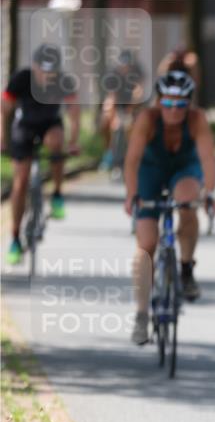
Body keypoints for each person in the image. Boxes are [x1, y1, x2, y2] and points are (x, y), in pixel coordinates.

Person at [123, 71, 215, 344]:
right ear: (159, 101)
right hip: (150, 171)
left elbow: (207, 158)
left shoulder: (197, 120)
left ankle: (186, 269)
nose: (173, 110)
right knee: (146, 244)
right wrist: (131, 195)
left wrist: (209, 193)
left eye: (180, 104)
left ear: (189, 104)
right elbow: (132, 160)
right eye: (167, 103)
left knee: (188, 203)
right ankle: (142, 314)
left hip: (184, 168)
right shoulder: (147, 119)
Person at [1, 43, 81, 264]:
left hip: (50, 124)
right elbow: (4, 108)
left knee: (56, 141)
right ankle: (15, 238)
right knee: (20, 183)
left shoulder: (64, 81)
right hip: (24, 127)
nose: (46, 76)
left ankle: (57, 193)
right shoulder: (21, 78)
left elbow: (74, 112)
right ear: (34, 66)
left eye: (51, 71)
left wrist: (73, 142)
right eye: (42, 70)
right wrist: (2, 138)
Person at [100, 49, 146, 170]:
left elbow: (138, 91)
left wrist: (130, 109)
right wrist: (113, 114)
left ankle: (135, 155)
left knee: (133, 126)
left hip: (133, 104)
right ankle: (108, 152)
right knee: (107, 121)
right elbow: (112, 97)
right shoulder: (113, 75)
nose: (125, 68)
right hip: (118, 103)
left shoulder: (137, 71)